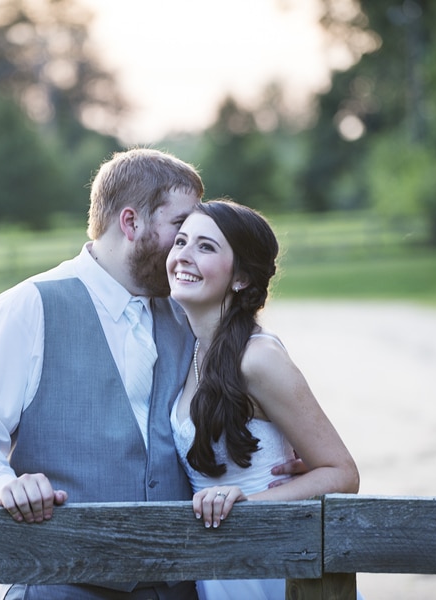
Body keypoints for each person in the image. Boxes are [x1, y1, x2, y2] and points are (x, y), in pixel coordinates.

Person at [0, 148, 206, 600]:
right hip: (57, 583)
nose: (187, 246)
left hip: (177, 586)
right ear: (131, 222)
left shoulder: (186, 314)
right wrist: (3, 486)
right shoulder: (28, 307)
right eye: (180, 228)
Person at [166, 199, 360, 600]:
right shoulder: (191, 351)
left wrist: (248, 503)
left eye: (205, 247)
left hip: (272, 564)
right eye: (181, 241)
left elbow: (342, 473)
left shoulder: (258, 358)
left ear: (240, 278)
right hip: (220, 571)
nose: (183, 255)